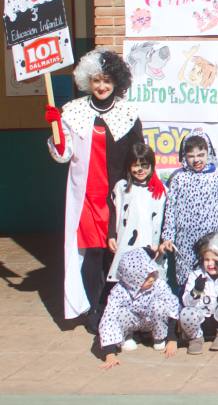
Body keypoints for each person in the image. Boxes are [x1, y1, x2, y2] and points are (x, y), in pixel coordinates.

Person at [45, 48, 143, 330]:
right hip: (86, 196)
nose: (101, 86)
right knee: (92, 253)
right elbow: (63, 155)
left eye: (107, 81)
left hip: (118, 197)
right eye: (97, 80)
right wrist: (56, 131)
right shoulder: (73, 112)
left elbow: (139, 154)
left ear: (117, 83)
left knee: (115, 252)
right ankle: (94, 309)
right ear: (88, 81)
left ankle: (115, 306)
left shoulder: (128, 113)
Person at [160, 130, 218, 292]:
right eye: (191, 156)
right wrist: (168, 237)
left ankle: (213, 311)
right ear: (184, 156)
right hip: (185, 240)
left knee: (212, 271)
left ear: (209, 153)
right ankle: (187, 309)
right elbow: (170, 209)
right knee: (187, 278)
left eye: (201, 154)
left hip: (211, 237)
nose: (196, 159)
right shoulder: (178, 178)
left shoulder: (217, 177)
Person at [96, 248, 179, 369]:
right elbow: (109, 318)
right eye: (145, 277)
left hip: (151, 321)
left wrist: (172, 338)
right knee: (117, 312)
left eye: (152, 273)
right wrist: (109, 354)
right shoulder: (120, 291)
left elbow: (172, 305)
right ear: (132, 278)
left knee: (160, 305)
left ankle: (160, 337)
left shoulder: (158, 284)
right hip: (132, 322)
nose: (151, 278)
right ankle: (126, 336)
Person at [107, 142, 166, 282]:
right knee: (126, 278)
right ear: (129, 166)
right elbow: (114, 212)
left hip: (150, 244)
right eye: (135, 165)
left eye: (144, 165)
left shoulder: (159, 191)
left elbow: (164, 219)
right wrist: (111, 235)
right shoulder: (122, 187)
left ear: (151, 165)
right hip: (126, 243)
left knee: (149, 280)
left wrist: (161, 242)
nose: (140, 170)